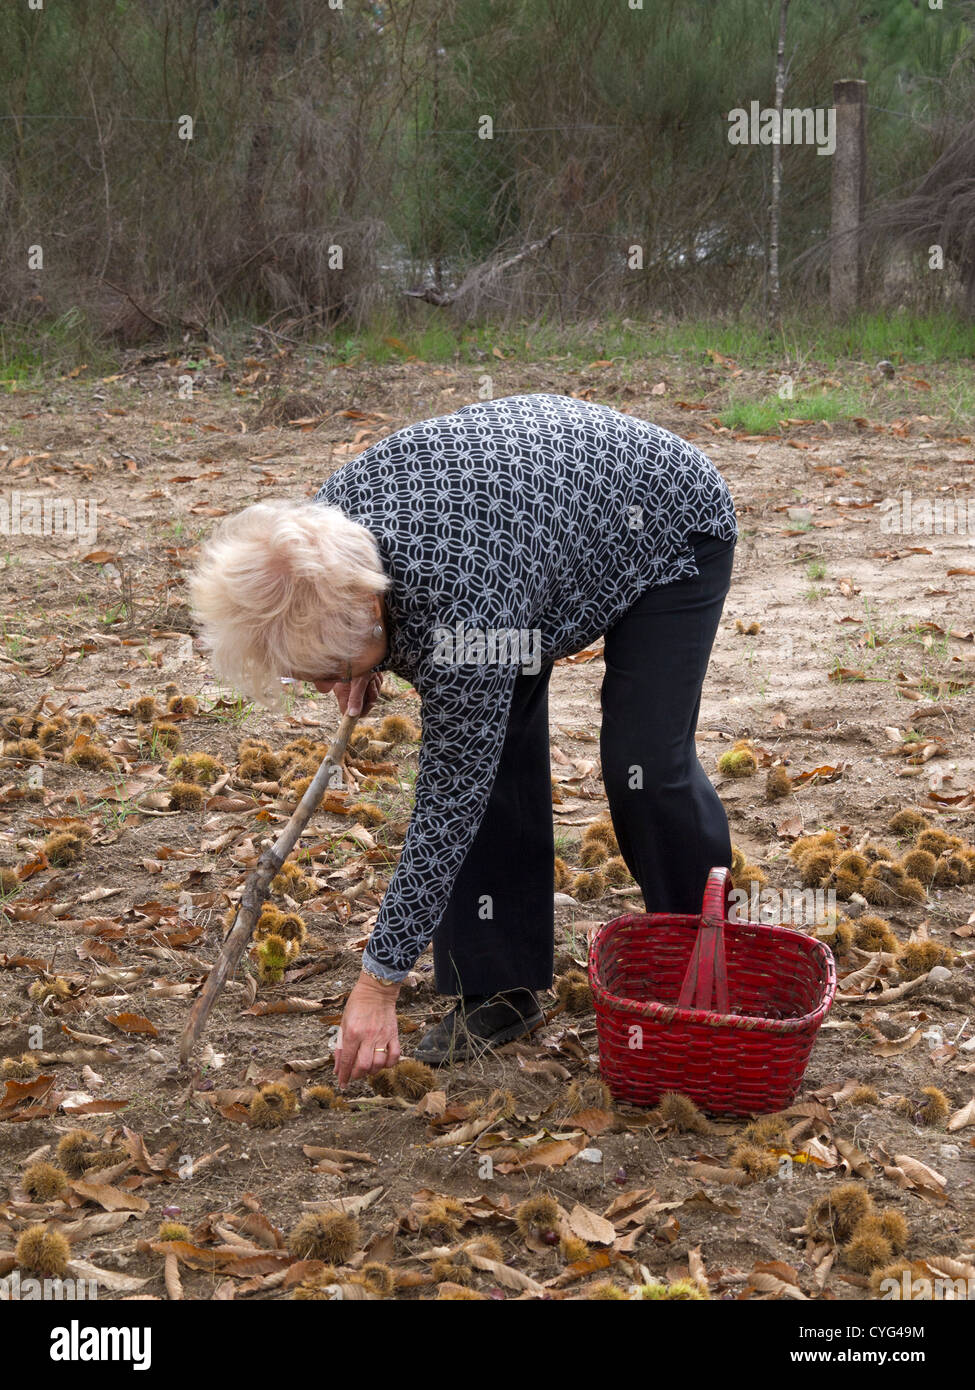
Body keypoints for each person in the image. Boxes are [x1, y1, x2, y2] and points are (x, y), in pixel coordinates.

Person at [190, 392, 738, 1086]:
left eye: (328, 671)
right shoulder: (316, 539)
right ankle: (498, 987)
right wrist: (353, 668)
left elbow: (447, 803)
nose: (327, 689)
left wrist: (377, 983)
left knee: (642, 763)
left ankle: (708, 955)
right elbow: (369, 634)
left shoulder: (463, 612)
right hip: (529, 534)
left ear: (368, 612)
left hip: (663, 523)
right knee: (490, 750)